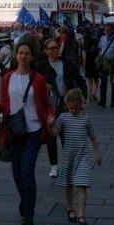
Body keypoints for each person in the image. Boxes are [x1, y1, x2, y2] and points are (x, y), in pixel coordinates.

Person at [0, 42, 55, 225]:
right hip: (14, 130)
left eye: (27, 53)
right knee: (16, 172)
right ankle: (25, 199)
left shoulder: (38, 79)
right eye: (20, 53)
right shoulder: (7, 78)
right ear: (16, 56)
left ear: (32, 57)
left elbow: (46, 103)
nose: (23, 56)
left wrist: (50, 116)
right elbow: (4, 103)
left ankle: (29, 216)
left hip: (33, 130)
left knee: (27, 171)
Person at [51, 87, 102, 225]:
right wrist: (49, 125)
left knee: (82, 184)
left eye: (75, 108)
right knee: (68, 184)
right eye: (70, 108)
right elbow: (54, 133)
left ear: (81, 104)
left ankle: (81, 215)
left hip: (83, 156)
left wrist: (97, 153)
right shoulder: (63, 117)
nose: (73, 111)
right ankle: (70, 208)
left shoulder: (86, 118)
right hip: (68, 156)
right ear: (66, 105)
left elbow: (92, 137)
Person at [40, 39, 66, 178]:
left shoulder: (65, 63)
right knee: (51, 135)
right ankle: (54, 166)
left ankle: (68, 163)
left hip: (64, 102)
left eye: (56, 47)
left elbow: (76, 77)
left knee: (66, 134)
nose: (55, 50)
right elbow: (34, 81)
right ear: (45, 51)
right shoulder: (42, 66)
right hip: (49, 104)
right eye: (52, 48)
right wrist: (44, 85)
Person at [97, 26, 114, 108]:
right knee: (103, 82)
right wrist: (100, 58)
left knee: (113, 82)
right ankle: (102, 101)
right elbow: (100, 49)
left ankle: (113, 102)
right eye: (106, 30)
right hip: (103, 62)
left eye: (109, 30)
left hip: (112, 63)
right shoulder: (102, 38)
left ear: (112, 30)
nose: (107, 32)